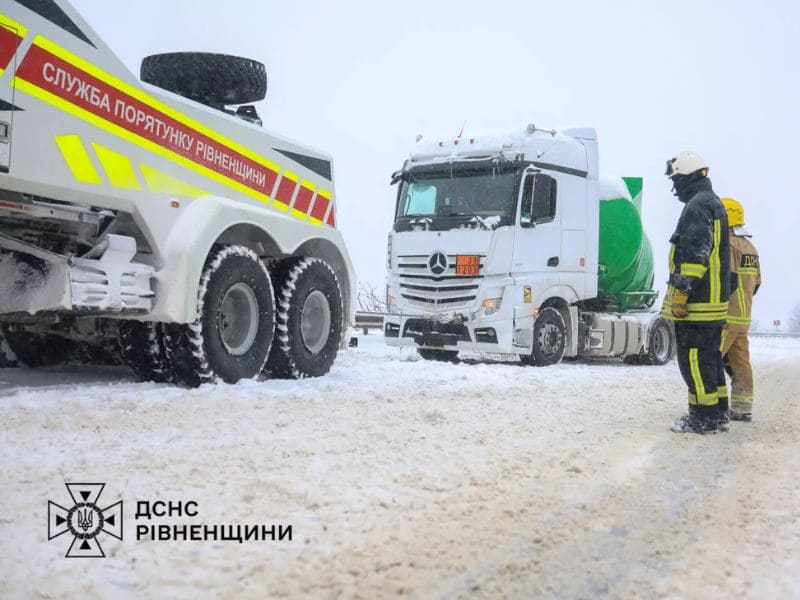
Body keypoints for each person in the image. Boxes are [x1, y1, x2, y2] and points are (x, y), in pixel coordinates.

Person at [662, 151, 731, 434]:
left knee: (693, 361)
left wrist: (681, 293)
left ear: (687, 177)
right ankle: (718, 413)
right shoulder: (713, 202)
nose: (674, 187)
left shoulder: (697, 206)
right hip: (713, 304)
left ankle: (703, 418)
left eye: (676, 180)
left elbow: (694, 256)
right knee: (710, 360)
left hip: (698, 305)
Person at [719, 197, 762, 421]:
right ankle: (743, 408)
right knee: (740, 362)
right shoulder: (750, 248)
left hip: (726, 316)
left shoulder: (728, 245)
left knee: (710, 359)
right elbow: (757, 284)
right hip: (743, 318)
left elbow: (726, 279)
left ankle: (711, 407)